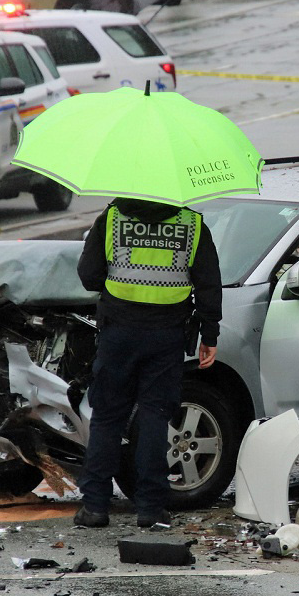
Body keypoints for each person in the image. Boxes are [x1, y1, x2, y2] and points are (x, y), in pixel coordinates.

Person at [74, 197, 222, 527]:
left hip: (118, 333)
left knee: (108, 416)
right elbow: (208, 284)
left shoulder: (111, 219)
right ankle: (151, 509)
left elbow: (89, 276)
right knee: (155, 415)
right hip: (166, 335)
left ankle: (95, 507)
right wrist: (209, 335)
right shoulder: (192, 225)